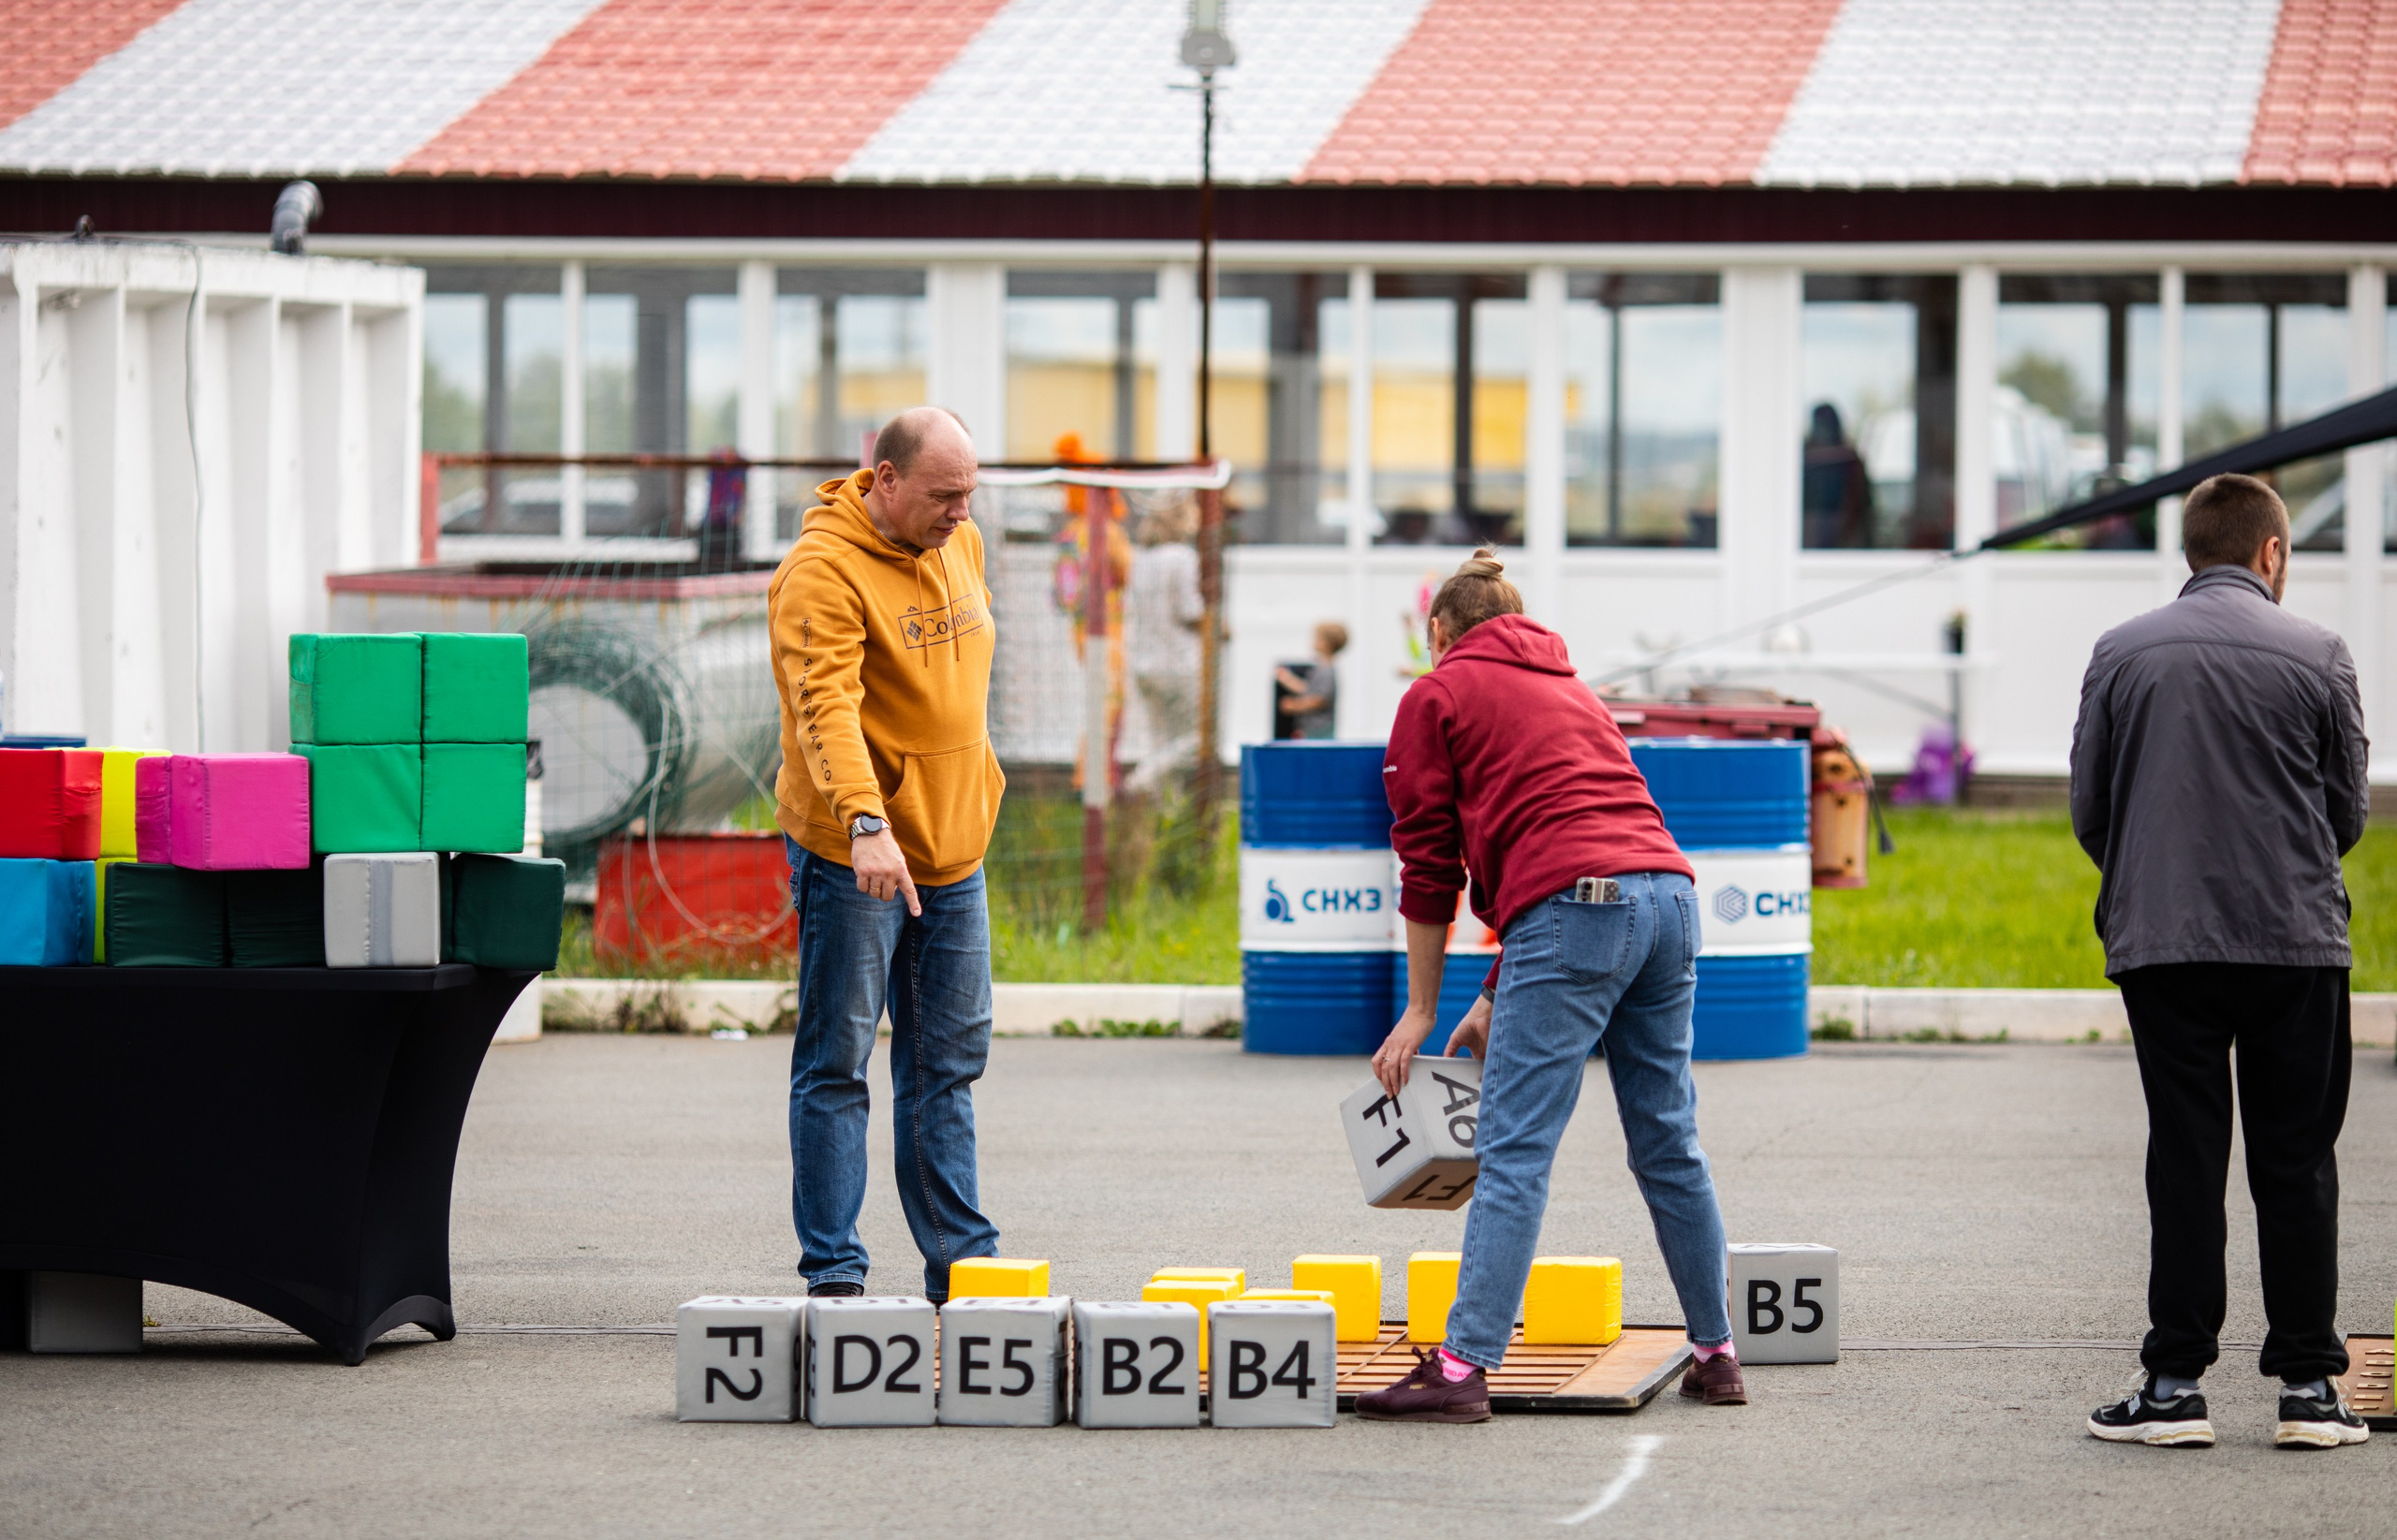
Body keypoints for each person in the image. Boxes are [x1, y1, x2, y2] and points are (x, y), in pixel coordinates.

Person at [1354, 550, 1743, 1423]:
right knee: (1668, 1141)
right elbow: (1576, 837)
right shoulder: (1571, 687)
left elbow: (1428, 861)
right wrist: (1496, 989)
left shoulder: (1437, 693)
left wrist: (1421, 1007)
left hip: (1577, 910)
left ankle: (1460, 1371)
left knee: (1515, 1146)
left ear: (1440, 632)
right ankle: (1717, 1353)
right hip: (1669, 901)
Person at [2071, 472, 2370, 1450]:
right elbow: (2346, 815)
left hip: (2164, 943)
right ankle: (2308, 1393)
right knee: (2295, 1158)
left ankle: (2170, 1385)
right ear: (2271, 552)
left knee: (2186, 1154)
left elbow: (2091, 810)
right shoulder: (2320, 652)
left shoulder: (2120, 651)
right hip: (2294, 942)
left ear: (2192, 553)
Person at [766, 406, 1007, 1301]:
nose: (962, 512)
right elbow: (820, 705)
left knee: (947, 1065)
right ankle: (834, 1275)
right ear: (886, 478)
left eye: (971, 493)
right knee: (838, 1062)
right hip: (856, 855)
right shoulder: (819, 573)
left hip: (955, 850)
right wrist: (868, 822)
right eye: (945, 495)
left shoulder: (960, 543)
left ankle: (964, 1267)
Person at [1124, 496, 1206, 790]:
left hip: (1143, 663)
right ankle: (1138, 783)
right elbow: (1190, 611)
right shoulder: (1182, 557)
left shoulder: (1140, 557)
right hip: (1178, 663)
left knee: (1159, 742)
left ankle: (1161, 816)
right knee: (1196, 739)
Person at [1273, 621, 1346, 740]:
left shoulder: (1327, 671)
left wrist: (1295, 706)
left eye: (1317, 638)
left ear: (1326, 643)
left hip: (1320, 729)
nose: (1313, 640)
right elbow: (1308, 689)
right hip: (1309, 727)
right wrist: (1287, 679)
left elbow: (1319, 700)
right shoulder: (1318, 668)